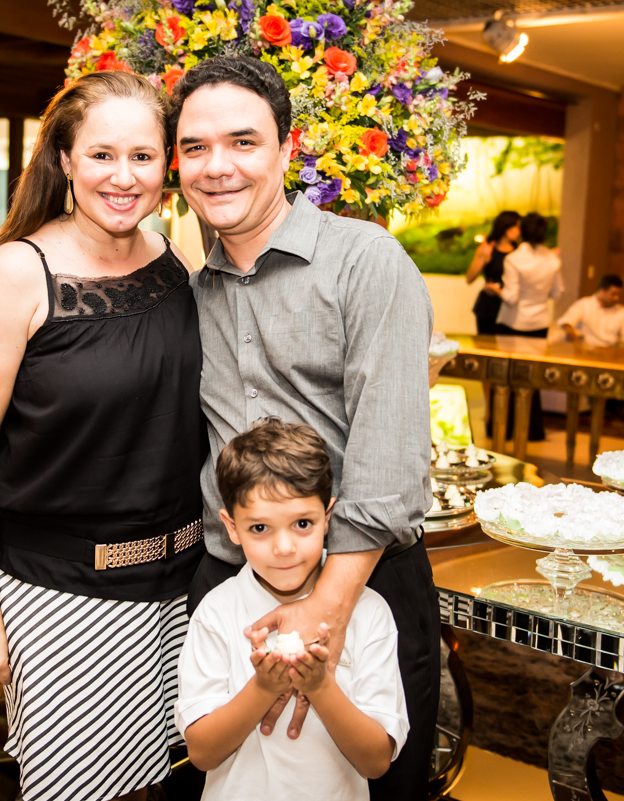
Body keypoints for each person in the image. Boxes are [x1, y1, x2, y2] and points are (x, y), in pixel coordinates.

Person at [170, 56, 438, 801]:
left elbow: (391, 461)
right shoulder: (192, 291)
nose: (217, 166)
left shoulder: (366, 262)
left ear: (288, 149)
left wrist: (325, 612)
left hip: (363, 579)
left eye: (243, 142)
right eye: (195, 147)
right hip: (231, 581)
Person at [0, 70, 205, 801]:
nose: (124, 177)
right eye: (101, 155)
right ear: (64, 160)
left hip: (185, 586)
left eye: (142, 156)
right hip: (65, 596)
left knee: (175, 782)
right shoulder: (17, 273)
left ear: (165, 163)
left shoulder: (174, 260)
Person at [176, 418, 408, 800]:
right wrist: (264, 687)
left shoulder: (368, 612)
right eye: (260, 528)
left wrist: (320, 686)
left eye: (302, 523)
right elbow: (201, 752)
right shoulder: (216, 612)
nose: (284, 548)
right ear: (231, 527)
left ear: (328, 517)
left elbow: (376, 761)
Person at [485, 211, 563, 441]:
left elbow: (511, 297)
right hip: (539, 323)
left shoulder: (514, 259)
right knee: (531, 377)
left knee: (505, 377)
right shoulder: (552, 259)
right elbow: (557, 293)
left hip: (513, 322)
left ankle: (503, 430)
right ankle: (532, 430)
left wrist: (495, 289)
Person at [464, 210, 521, 335]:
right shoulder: (488, 248)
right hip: (489, 306)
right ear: (506, 227)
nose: (519, 231)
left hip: (510, 305)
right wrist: (483, 258)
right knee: (486, 343)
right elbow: (469, 278)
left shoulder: (519, 251)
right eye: (517, 226)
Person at [558, 274, 624, 349]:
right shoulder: (584, 304)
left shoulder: (621, 311)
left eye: (618, 295)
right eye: (613, 294)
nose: (617, 298)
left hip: (611, 353)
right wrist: (571, 333)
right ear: (602, 291)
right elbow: (567, 321)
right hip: (586, 350)